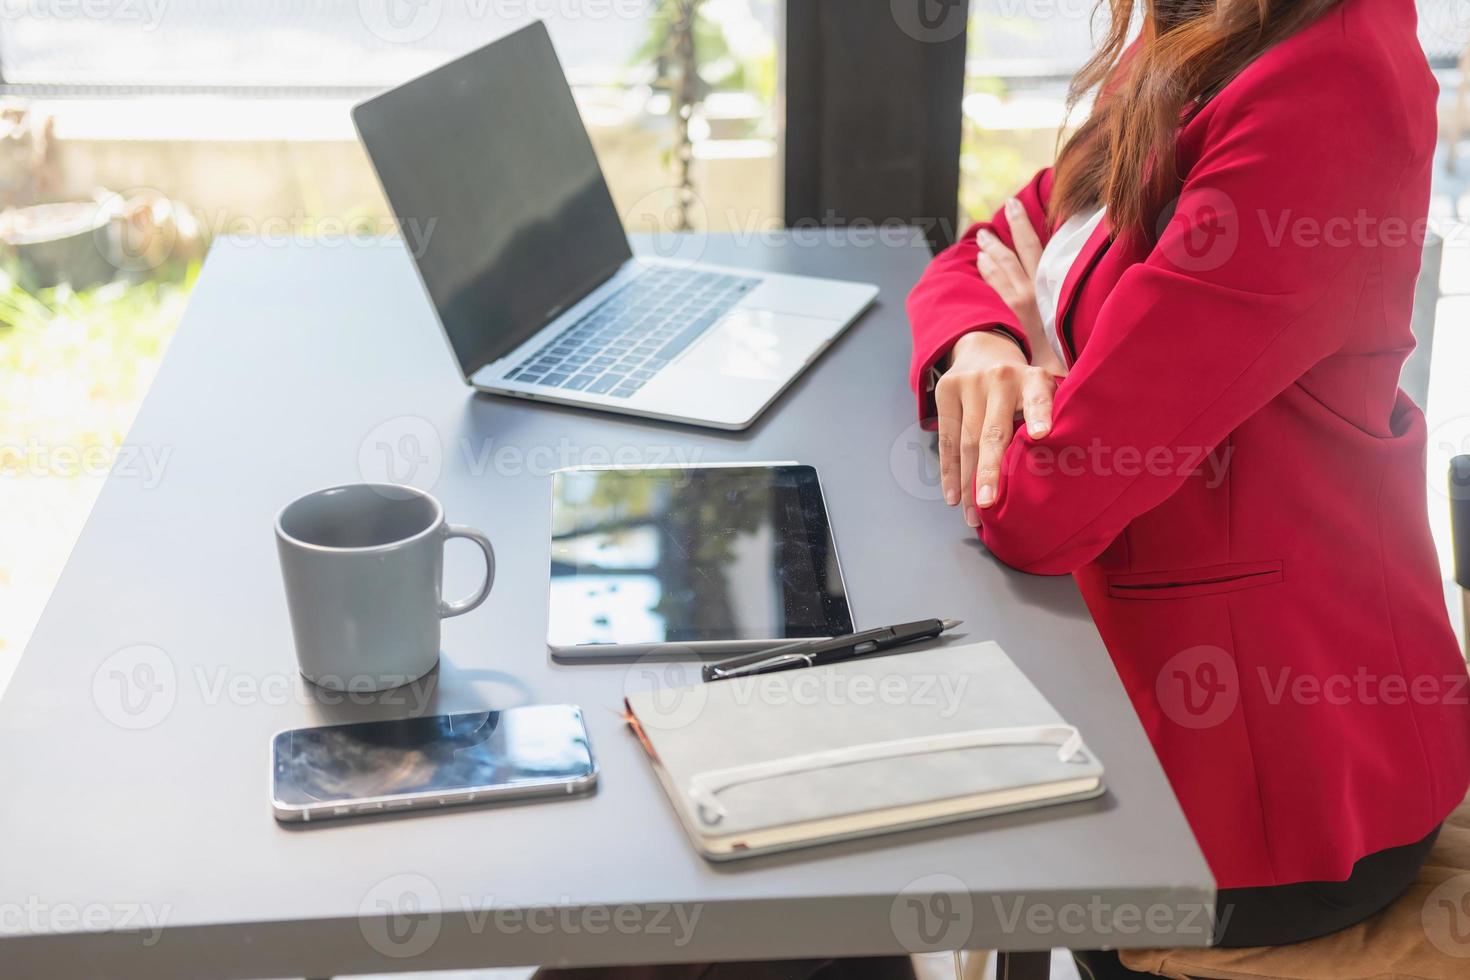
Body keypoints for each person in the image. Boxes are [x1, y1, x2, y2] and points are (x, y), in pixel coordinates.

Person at [906, 0, 1470, 975]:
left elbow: (1046, 503)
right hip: (1129, 688)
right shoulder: (1202, 28)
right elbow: (986, 246)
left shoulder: (1327, 88)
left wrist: (1050, 354)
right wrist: (990, 343)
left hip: (1269, 803)